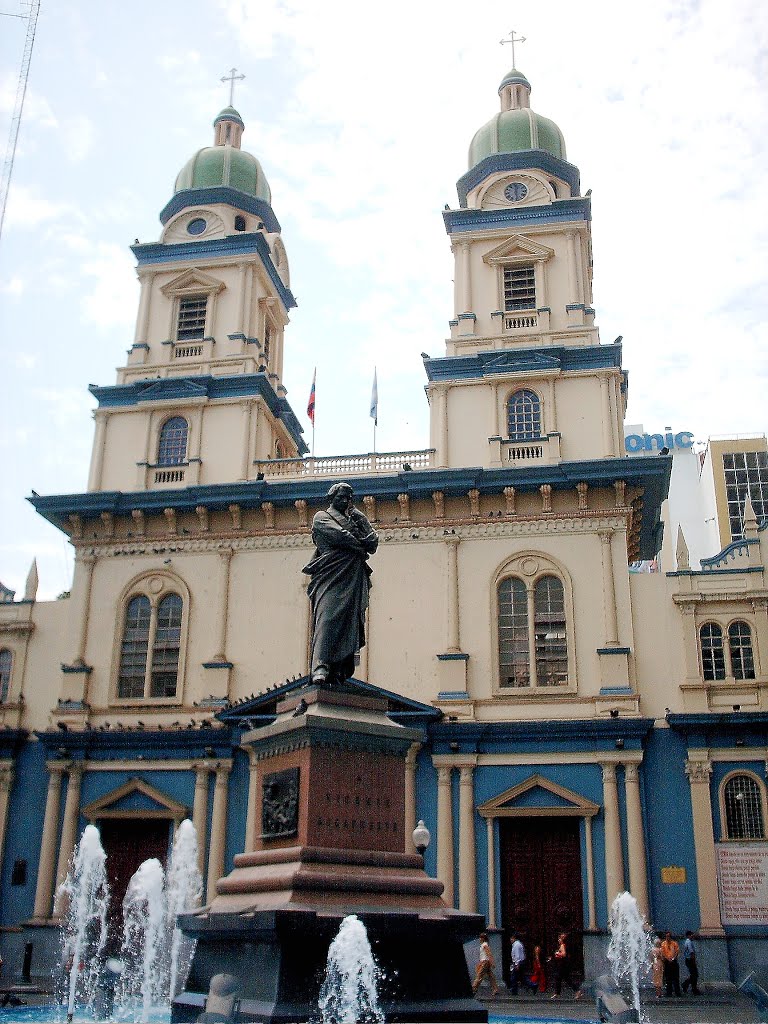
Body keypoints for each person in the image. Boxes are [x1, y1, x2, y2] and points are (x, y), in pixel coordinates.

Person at [302, 482, 378, 685]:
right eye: (341, 497)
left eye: (348, 498)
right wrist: (360, 546)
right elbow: (340, 536)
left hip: (353, 575)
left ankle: (338, 669)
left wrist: (362, 520)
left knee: (349, 623)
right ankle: (320, 665)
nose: (345, 501)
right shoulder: (321, 517)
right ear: (331, 498)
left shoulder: (354, 519)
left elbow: (373, 543)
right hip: (331, 574)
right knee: (327, 618)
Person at [548, 932, 582, 1000]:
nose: (558, 940)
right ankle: (557, 993)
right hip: (562, 964)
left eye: (560, 938)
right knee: (560, 978)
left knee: (564, 978)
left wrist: (557, 954)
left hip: (562, 965)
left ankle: (577, 991)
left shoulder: (563, 945)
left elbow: (564, 954)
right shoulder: (563, 945)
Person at [471, 933, 499, 997]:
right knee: (491, 976)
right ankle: (495, 989)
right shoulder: (484, 945)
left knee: (479, 975)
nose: (479, 939)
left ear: (483, 938)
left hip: (485, 962)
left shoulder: (485, 945)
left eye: (480, 937)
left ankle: (473, 989)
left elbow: (489, 954)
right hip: (484, 962)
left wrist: (492, 963)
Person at [660, 930, 682, 996]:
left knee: (676, 977)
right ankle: (669, 992)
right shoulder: (663, 944)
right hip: (667, 962)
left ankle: (677, 992)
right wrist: (668, 959)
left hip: (674, 961)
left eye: (669, 936)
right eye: (666, 936)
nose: (668, 938)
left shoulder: (674, 943)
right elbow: (663, 953)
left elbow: (677, 951)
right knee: (668, 978)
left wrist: (673, 958)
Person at [681, 930, 700, 995]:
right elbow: (691, 952)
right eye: (692, 935)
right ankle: (691, 988)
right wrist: (694, 960)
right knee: (694, 975)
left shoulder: (688, 941)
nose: (693, 936)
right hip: (690, 960)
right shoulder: (689, 942)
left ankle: (690, 987)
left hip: (688, 960)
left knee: (693, 975)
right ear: (689, 935)